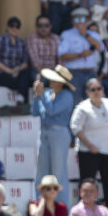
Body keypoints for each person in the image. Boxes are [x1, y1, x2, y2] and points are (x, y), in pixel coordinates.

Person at [71, 76, 108, 202]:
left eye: (99, 88)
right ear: (87, 92)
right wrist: (90, 145)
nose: (96, 92)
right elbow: (75, 128)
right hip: (89, 152)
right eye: (93, 89)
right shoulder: (82, 107)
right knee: (87, 183)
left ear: (102, 90)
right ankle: (84, 210)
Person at [32, 65, 76, 203]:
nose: (50, 81)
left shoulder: (67, 95)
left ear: (61, 82)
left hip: (59, 133)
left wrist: (41, 96)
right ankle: (40, 202)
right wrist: (37, 96)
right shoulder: (47, 93)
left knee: (59, 171)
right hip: (45, 132)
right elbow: (34, 112)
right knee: (41, 171)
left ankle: (61, 206)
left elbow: (51, 110)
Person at [58, 7, 104, 95]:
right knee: (75, 100)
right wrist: (80, 55)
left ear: (87, 20)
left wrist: (85, 34)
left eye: (82, 19)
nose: (79, 21)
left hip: (91, 72)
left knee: (93, 101)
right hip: (74, 73)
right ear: (72, 21)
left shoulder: (94, 34)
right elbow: (62, 55)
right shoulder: (66, 34)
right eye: (76, 19)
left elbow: (100, 48)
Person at [0, 17, 31, 100]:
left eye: (17, 27)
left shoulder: (21, 43)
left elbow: (25, 62)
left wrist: (17, 69)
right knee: (22, 81)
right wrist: (10, 71)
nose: (14, 29)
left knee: (26, 75)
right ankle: (22, 100)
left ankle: (21, 98)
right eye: (12, 26)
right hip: (2, 73)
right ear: (8, 27)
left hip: (17, 73)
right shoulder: (0, 39)